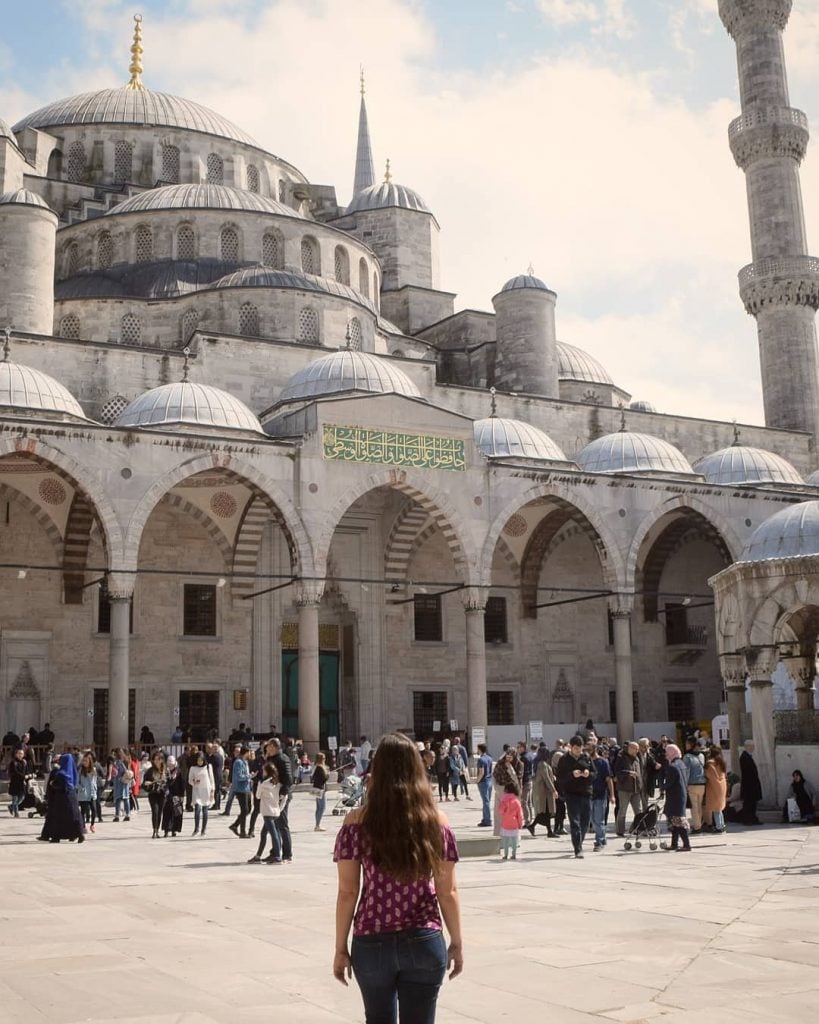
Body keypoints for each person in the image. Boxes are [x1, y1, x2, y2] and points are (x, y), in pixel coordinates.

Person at [333, 731, 463, 1023]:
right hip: (423, 938)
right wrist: (457, 941)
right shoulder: (436, 822)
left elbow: (347, 892)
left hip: (372, 938)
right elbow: (447, 891)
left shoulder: (356, 822)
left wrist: (340, 947)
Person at [556, 735, 596, 859]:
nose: (578, 750)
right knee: (575, 823)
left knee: (585, 822)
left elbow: (595, 774)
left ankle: (580, 841)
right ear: (571, 747)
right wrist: (572, 775)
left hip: (586, 793)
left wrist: (588, 774)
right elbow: (560, 779)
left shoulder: (587, 757)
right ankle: (577, 849)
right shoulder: (564, 759)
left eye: (580, 748)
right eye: (576, 748)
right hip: (571, 795)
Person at [38, 753, 84, 844]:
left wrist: (52, 784)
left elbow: (59, 786)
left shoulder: (61, 773)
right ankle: (79, 834)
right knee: (73, 817)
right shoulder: (73, 772)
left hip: (61, 799)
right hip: (72, 798)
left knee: (58, 818)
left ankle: (56, 837)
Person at [248, 761, 284, 864]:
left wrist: (259, 785)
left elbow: (258, 796)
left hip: (267, 812)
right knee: (264, 833)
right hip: (275, 811)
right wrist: (280, 808)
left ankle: (277, 856)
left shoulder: (264, 784)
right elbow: (284, 797)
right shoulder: (277, 784)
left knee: (273, 833)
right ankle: (258, 855)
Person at [267, 737, 294, 862]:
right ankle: (275, 851)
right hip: (272, 794)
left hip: (281, 795)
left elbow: (288, 779)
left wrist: (283, 793)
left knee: (282, 824)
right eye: (268, 746)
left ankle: (287, 853)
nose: (269, 748)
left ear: (276, 747)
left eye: (271, 746)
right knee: (274, 825)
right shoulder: (270, 759)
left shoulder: (283, 759)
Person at [663, 743, 691, 851]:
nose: (666, 755)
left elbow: (669, 783)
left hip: (674, 797)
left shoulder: (672, 766)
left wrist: (662, 787)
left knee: (679, 821)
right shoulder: (682, 764)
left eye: (667, 753)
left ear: (671, 753)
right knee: (675, 821)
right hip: (682, 795)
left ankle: (687, 844)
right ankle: (674, 843)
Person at [614, 742, 643, 836]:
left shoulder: (637, 758)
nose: (637, 751)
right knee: (622, 810)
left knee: (638, 810)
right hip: (624, 788)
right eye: (635, 749)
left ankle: (637, 829)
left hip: (636, 788)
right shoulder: (621, 757)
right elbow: (617, 771)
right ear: (630, 748)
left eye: (637, 749)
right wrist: (629, 773)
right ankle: (620, 830)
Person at [491, 748, 521, 837]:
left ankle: (513, 838)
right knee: (498, 815)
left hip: (512, 794)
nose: (508, 759)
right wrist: (498, 789)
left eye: (510, 757)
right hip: (501, 792)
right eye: (507, 757)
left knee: (512, 816)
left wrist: (511, 769)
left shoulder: (517, 764)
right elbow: (494, 777)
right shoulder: (500, 764)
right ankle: (498, 837)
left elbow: (516, 780)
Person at [591, 744, 615, 851]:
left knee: (599, 819)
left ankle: (599, 841)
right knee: (593, 820)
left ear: (595, 749)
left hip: (601, 794)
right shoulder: (585, 762)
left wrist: (612, 795)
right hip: (589, 795)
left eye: (589, 749)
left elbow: (609, 780)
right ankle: (603, 837)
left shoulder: (603, 762)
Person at [188, 749, 215, 836]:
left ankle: (203, 829)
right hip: (197, 790)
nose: (200, 762)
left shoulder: (208, 767)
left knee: (205, 810)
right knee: (197, 809)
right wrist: (194, 781)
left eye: (201, 760)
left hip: (206, 791)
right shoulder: (193, 768)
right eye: (198, 760)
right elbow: (189, 780)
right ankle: (196, 828)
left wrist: (212, 791)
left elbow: (212, 780)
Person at [228, 745, 253, 838]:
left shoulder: (245, 762)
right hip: (240, 789)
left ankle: (235, 825)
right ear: (246, 752)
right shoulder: (238, 762)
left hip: (247, 788)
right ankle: (242, 831)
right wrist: (249, 776)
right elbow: (239, 776)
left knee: (248, 809)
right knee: (244, 810)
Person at [683, 737, 706, 833]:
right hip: (702, 783)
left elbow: (686, 771)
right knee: (699, 806)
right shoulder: (701, 756)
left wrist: (684, 784)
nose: (686, 745)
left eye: (687, 743)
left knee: (694, 807)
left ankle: (697, 827)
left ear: (691, 744)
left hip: (692, 784)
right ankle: (698, 824)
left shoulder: (687, 757)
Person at [143, 751, 168, 838]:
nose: (156, 761)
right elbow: (144, 783)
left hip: (162, 794)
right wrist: (149, 783)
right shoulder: (150, 771)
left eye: (158, 759)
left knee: (160, 812)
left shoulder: (165, 770)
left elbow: (169, 782)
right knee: (155, 811)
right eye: (155, 759)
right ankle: (154, 830)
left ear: (162, 760)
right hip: (153, 793)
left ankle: (157, 830)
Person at [704, 748, 728, 834]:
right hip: (722, 786)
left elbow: (710, 775)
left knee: (716, 809)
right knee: (719, 808)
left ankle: (718, 827)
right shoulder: (721, 763)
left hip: (714, 787)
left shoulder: (710, 764)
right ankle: (722, 825)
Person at [739, 739, 763, 825]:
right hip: (749, 785)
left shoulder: (748, 756)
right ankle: (747, 819)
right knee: (748, 803)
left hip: (752, 785)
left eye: (753, 746)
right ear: (747, 746)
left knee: (753, 803)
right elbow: (748, 773)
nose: (753, 748)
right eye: (751, 746)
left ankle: (753, 818)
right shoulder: (744, 757)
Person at [499, 782, 524, 861]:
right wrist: (520, 824)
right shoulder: (517, 801)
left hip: (505, 823)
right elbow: (520, 815)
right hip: (514, 824)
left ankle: (505, 855)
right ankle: (514, 854)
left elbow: (500, 811)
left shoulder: (503, 801)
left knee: (505, 841)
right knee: (514, 841)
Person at [162, 755, 185, 837]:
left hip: (177, 795)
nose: (170, 765)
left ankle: (174, 830)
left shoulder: (178, 772)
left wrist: (182, 795)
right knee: (167, 813)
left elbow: (182, 784)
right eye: (169, 763)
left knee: (176, 813)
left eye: (172, 763)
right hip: (168, 795)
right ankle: (166, 830)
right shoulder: (165, 771)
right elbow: (163, 783)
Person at [77, 752, 98, 833]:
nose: (84, 762)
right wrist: (81, 788)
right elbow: (77, 782)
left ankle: (92, 825)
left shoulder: (94, 770)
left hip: (92, 793)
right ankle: (83, 826)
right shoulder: (80, 770)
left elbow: (95, 780)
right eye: (83, 761)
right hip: (83, 793)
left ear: (90, 761)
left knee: (94, 809)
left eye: (86, 761)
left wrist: (95, 788)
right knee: (83, 811)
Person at [111, 748, 132, 823]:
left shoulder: (119, 762)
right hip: (122, 782)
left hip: (120, 782)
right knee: (123, 799)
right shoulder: (124, 761)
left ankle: (120, 815)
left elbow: (115, 773)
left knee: (120, 799)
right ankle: (125, 814)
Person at [475, 743, 493, 827]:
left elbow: (481, 772)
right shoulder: (489, 758)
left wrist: (477, 781)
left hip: (483, 782)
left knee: (485, 802)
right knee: (487, 801)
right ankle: (485, 818)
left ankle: (487, 820)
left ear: (480, 749)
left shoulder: (481, 760)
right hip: (489, 781)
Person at [517, 741, 535, 825]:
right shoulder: (530, 755)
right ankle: (531, 818)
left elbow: (522, 772)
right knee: (528, 802)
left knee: (524, 802)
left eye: (519, 747)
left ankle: (527, 821)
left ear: (523, 747)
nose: (517, 749)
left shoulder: (523, 758)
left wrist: (520, 783)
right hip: (530, 780)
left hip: (525, 781)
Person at [7, 747, 28, 818]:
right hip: (14, 783)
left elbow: (26, 771)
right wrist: (24, 776)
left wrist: (29, 775)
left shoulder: (24, 762)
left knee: (22, 797)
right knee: (15, 798)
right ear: (16, 754)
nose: (20, 755)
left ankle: (11, 806)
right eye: (19, 753)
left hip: (22, 783)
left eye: (21, 754)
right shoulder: (13, 762)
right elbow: (15, 772)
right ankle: (16, 813)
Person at [312, 751, 329, 831]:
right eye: (324, 758)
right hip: (320, 788)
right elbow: (324, 778)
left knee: (318, 807)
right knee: (322, 807)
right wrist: (327, 774)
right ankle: (317, 825)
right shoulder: (320, 768)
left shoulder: (315, 767)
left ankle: (317, 824)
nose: (325, 759)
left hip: (316, 788)